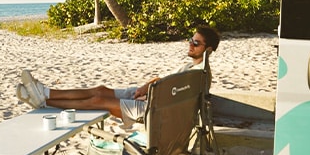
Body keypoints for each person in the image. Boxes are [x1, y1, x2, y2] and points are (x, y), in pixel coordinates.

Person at [16, 25, 220, 126]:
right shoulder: (193, 66)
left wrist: (148, 95)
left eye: (196, 43)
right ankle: (46, 92)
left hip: (154, 110)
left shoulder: (198, 74)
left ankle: (45, 103)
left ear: (208, 49)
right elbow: (165, 82)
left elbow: (175, 96)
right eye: (191, 40)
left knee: (98, 100)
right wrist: (146, 88)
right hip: (152, 97)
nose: (190, 44)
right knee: (100, 90)